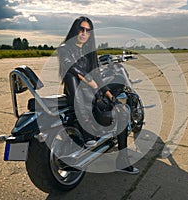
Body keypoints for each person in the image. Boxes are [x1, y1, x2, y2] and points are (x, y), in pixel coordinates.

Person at [57, 16, 139, 174]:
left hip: (91, 94)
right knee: (70, 75)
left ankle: (122, 160)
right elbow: (72, 67)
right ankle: (86, 129)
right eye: (81, 29)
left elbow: (98, 76)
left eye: (88, 30)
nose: (84, 33)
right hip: (76, 93)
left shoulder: (89, 51)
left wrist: (109, 95)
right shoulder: (64, 48)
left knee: (123, 110)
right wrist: (90, 81)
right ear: (75, 30)